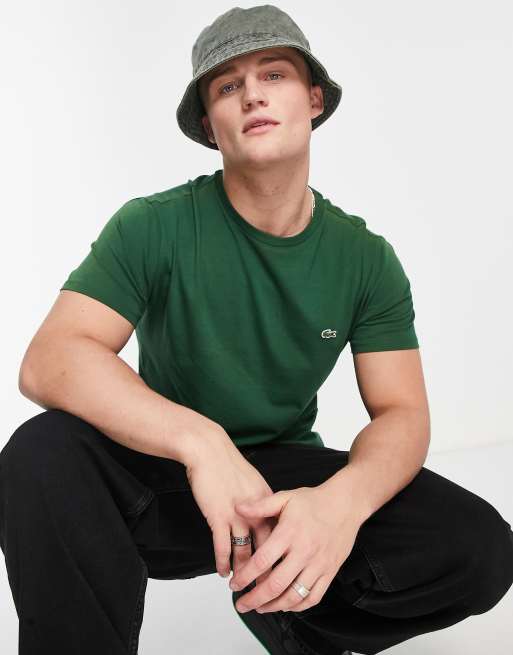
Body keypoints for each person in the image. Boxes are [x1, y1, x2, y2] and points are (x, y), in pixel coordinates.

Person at [1, 4, 512, 655]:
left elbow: (402, 413)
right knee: (41, 452)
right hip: (163, 479)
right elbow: (51, 359)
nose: (251, 94)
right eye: (226, 86)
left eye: (273, 74)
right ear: (209, 125)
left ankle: (294, 614)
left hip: (281, 487)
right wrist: (202, 444)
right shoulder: (152, 226)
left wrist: (338, 506)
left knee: (480, 546)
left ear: (314, 99)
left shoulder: (365, 259)